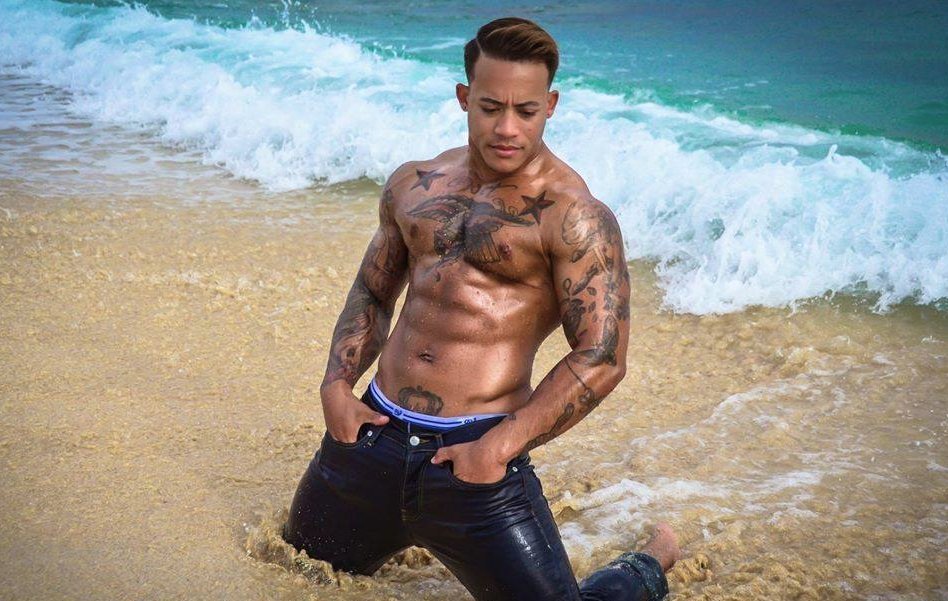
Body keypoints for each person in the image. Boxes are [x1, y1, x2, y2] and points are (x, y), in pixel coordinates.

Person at [284, 16, 679, 601]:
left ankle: (648, 564)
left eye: (526, 110)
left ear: (550, 106)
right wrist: (336, 388)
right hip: (370, 439)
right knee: (297, 573)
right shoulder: (415, 184)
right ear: (465, 97)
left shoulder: (574, 217)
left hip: (475, 460)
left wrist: (500, 446)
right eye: (491, 107)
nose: (507, 127)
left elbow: (601, 356)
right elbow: (373, 291)